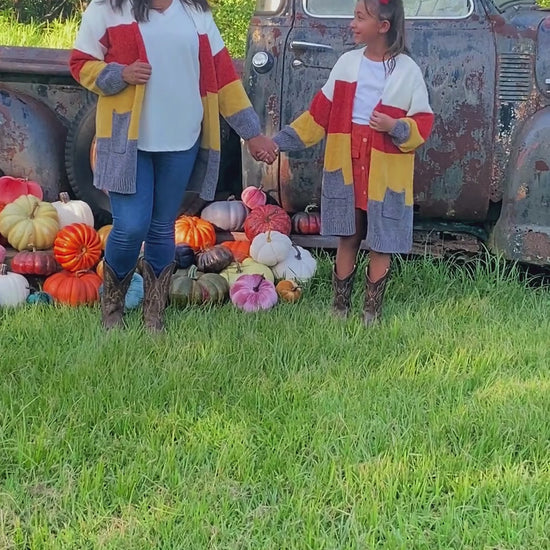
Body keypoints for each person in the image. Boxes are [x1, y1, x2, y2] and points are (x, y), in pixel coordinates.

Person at [70, 0, 278, 331]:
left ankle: (154, 315)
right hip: (128, 142)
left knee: (162, 226)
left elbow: (224, 79)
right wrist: (119, 74)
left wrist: (252, 134)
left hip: (183, 140)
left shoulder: (197, 13)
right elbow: (80, 63)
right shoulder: (109, 7)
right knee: (131, 225)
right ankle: (112, 311)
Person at [269, 0, 434, 325]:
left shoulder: (407, 71)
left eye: (360, 17)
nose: (352, 23)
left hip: (385, 170)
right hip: (347, 165)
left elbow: (422, 125)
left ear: (383, 26)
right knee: (348, 234)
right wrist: (276, 143)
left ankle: (371, 312)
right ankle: (339, 308)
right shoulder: (347, 64)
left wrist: (394, 127)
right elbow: (317, 117)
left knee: (382, 241)